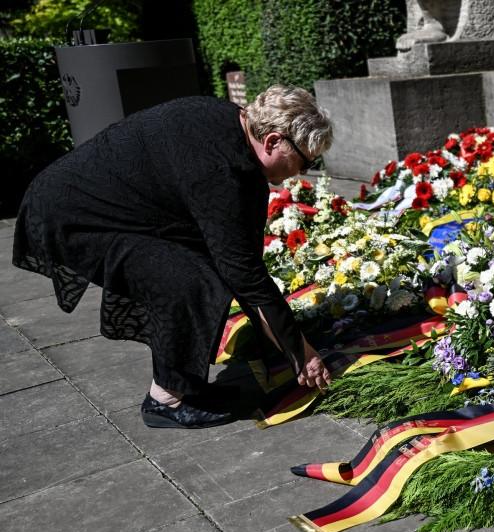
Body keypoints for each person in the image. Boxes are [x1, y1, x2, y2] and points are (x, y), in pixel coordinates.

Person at [13, 85, 333, 429]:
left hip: (110, 206)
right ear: (272, 141)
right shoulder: (217, 168)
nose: (303, 172)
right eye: (304, 160)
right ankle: (165, 399)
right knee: (187, 279)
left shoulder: (229, 124)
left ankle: (187, 385)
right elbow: (245, 273)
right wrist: (303, 356)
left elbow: (241, 257)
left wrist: (289, 349)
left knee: (206, 266)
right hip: (72, 215)